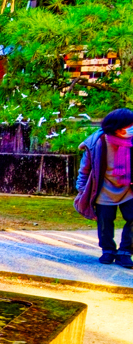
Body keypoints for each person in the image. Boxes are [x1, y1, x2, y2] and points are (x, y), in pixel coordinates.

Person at [75, 108, 133, 268]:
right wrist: (81, 189)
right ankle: (108, 251)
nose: (131, 129)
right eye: (128, 126)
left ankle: (125, 252)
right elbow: (85, 168)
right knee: (105, 223)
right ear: (116, 126)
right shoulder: (97, 142)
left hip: (128, 190)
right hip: (103, 190)